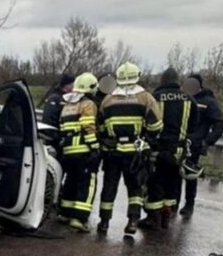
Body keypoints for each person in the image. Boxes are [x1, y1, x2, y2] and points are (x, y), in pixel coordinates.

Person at [96, 63, 162, 236]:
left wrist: (108, 140)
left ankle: (104, 222)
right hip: (136, 151)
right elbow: (156, 125)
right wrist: (147, 137)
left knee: (109, 186)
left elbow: (101, 127)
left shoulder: (108, 99)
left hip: (113, 151)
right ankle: (133, 221)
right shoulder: (145, 98)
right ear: (137, 76)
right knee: (135, 187)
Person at [141, 68, 199, 230]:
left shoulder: (155, 98)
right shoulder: (189, 99)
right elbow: (194, 126)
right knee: (173, 181)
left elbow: (147, 122)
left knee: (155, 182)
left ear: (162, 80)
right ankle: (166, 215)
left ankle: (153, 217)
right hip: (178, 149)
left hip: (158, 147)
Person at [179, 73, 223, 217]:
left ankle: (189, 204)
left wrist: (207, 141)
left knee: (190, 175)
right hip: (178, 141)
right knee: (172, 175)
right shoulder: (181, 98)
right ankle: (172, 203)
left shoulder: (208, 102)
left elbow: (220, 123)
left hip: (195, 145)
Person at [58, 72, 100, 232]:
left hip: (68, 151)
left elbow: (63, 127)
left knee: (71, 181)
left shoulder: (67, 104)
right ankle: (79, 219)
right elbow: (88, 127)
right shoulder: (87, 104)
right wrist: (95, 147)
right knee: (87, 184)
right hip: (83, 150)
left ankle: (65, 213)